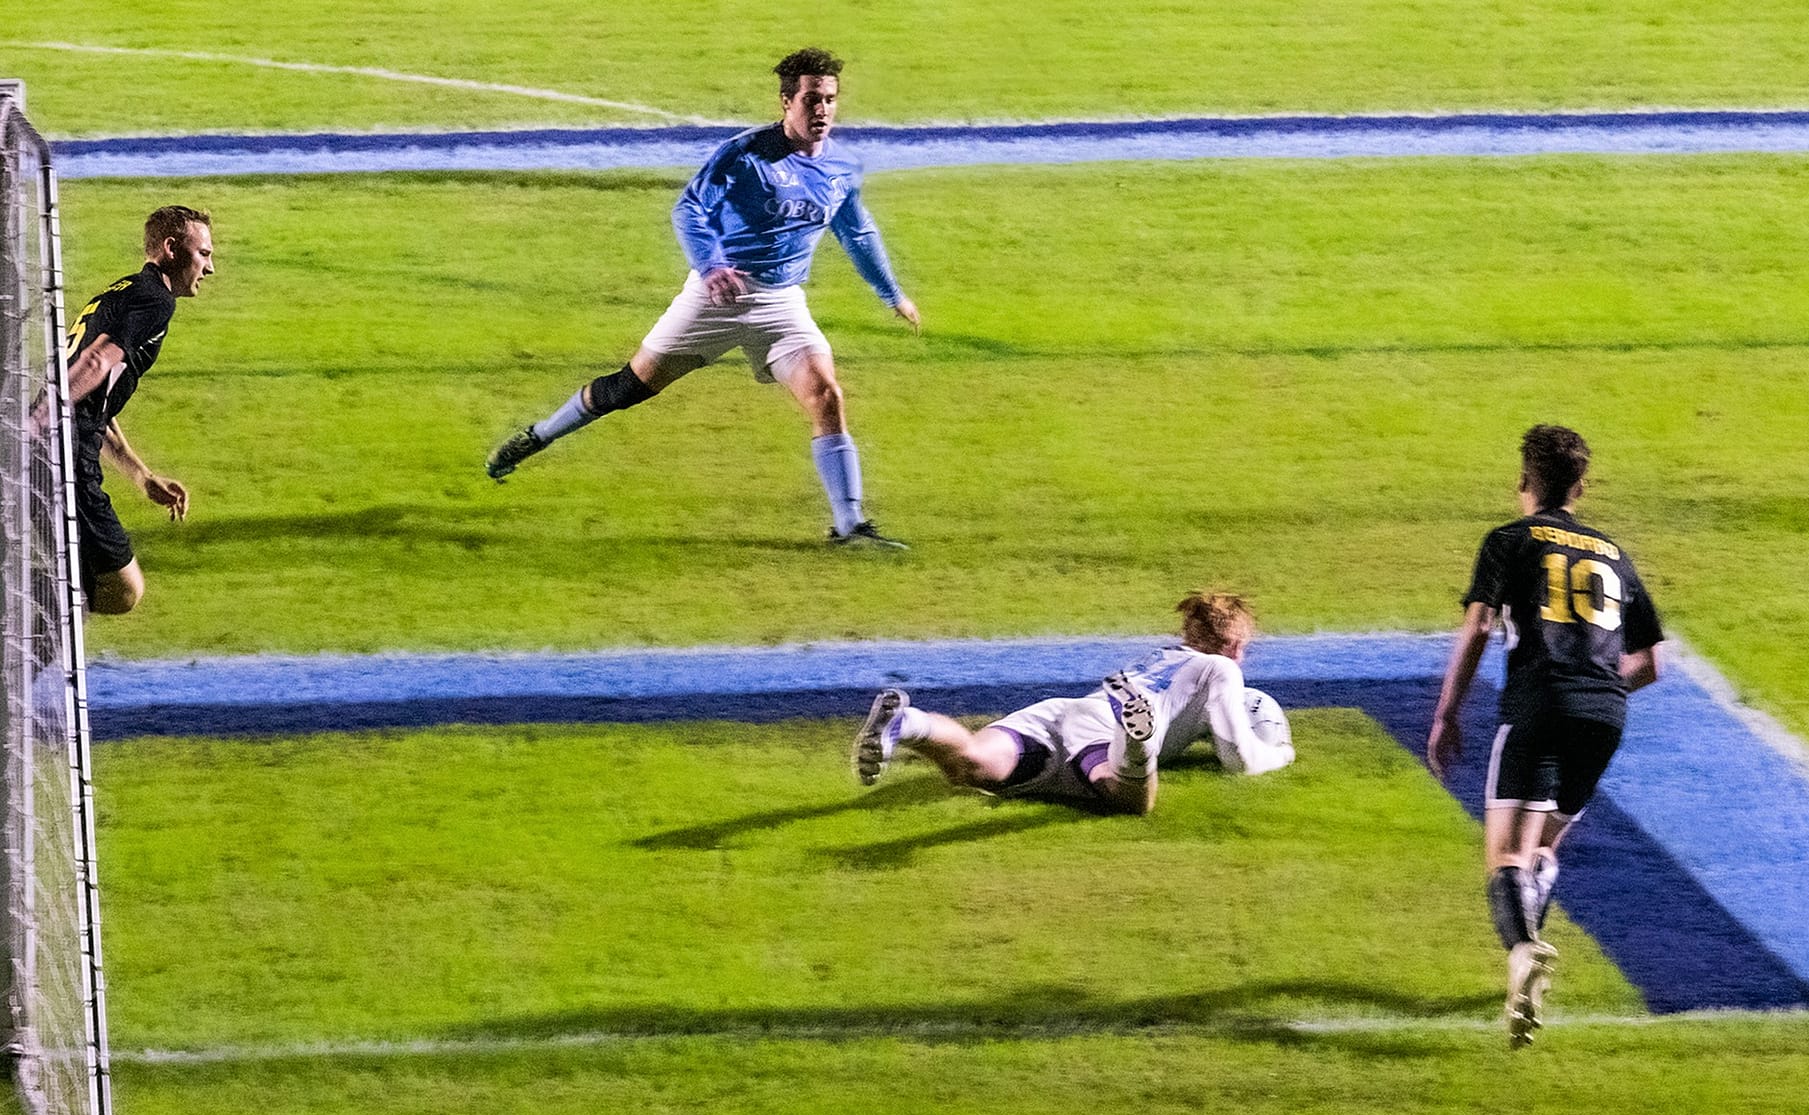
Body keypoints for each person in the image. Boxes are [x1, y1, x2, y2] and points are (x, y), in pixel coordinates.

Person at [487, 47, 919, 549]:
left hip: (782, 303)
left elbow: (857, 232)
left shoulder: (843, 167)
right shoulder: (745, 154)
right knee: (629, 389)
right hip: (718, 298)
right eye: (810, 99)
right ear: (786, 102)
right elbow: (690, 208)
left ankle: (850, 527)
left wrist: (892, 294)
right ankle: (537, 435)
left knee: (827, 397)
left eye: (829, 100)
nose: (821, 110)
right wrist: (711, 265)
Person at [1426, 425, 1663, 1048]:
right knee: (1544, 847)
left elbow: (1478, 628)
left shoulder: (1509, 541)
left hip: (1538, 703)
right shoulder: (1613, 552)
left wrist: (1448, 711)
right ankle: (1525, 961)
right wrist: (1597, 691)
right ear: (1581, 487)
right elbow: (1651, 662)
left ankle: (1524, 950)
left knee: (1504, 852)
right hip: (1606, 714)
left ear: (1523, 483)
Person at [853, 592, 1296, 815]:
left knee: (970, 765)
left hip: (1058, 713)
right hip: (1102, 728)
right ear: (1235, 643)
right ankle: (1136, 742)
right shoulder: (1222, 671)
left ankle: (907, 723)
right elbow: (1240, 759)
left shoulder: (1162, 657)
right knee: (1130, 800)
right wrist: (1280, 752)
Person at [62, 204, 212, 614]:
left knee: (76, 583)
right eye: (204, 254)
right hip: (67, 460)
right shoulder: (157, 302)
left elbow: (95, 404)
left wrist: (141, 476)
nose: (210, 268)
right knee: (122, 590)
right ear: (170, 248)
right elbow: (94, 364)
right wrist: (40, 423)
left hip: (61, 445)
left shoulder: (120, 292)